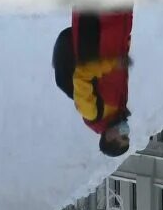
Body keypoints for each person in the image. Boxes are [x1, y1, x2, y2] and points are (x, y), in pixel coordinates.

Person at [52, 9, 135, 156]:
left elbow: (82, 75)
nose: (126, 132)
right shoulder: (119, 108)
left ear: (109, 137)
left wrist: (114, 63)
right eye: (127, 136)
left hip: (97, 22)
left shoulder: (91, 112)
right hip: (116, 21)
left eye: (123, 136)